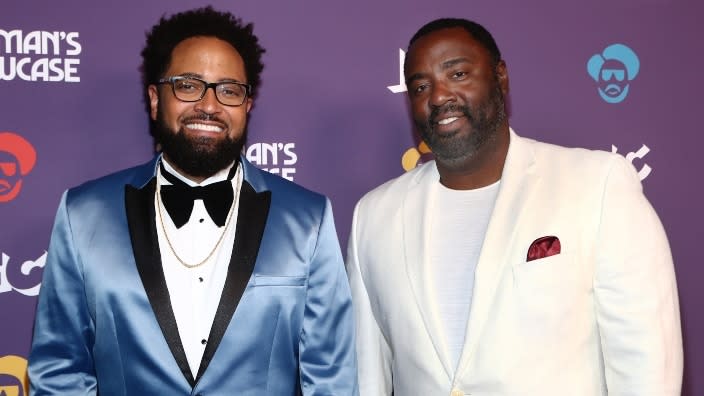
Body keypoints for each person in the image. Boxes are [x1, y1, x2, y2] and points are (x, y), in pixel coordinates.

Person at [28, 6, 357, 395]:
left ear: (247, 106)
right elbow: (59, 371)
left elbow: (331, 380)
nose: (209, 105)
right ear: (155, 99)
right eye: (188, 85)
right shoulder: (83, 214)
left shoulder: (308, 219)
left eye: (229, 90)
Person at [347, 17, 682, 396]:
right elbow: (366, 378)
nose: (439, 96)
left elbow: (645, 365)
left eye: (457, 73)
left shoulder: (597, 185)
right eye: (421, 86)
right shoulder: (373, 217)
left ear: (500, 77)